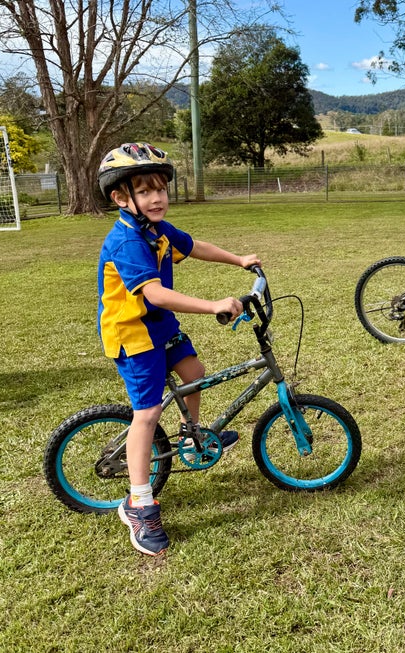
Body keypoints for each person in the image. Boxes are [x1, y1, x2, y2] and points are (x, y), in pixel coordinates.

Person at [97, 142, 260, 556]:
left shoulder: (157, 230)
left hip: (161, 329)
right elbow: (154, 294)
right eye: (145, 190)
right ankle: (138, 502)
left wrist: (238, 259)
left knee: (194, 373)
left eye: (161, 189)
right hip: (133, 335)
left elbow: (195, 246)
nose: (157, 198)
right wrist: (213, 306)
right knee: (148, 413)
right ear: (121, 198)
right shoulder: (127, 242)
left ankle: (190, 439)